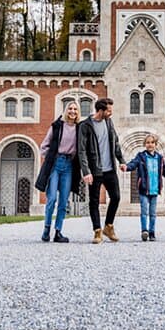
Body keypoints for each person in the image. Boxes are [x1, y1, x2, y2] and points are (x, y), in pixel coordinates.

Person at [77, 97, 127, 244]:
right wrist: (86, 171)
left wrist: (121, 160)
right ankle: (97, 231)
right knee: (94, 201)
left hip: (110, 168)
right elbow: (82, 150)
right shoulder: (85, 125)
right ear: (101, 110)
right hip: (95, 170)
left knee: (116, 197)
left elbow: (115, 142)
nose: (111, 113)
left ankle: (108, 226)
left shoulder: (109, 122)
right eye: (109, 110)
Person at [35, 100, 82, 243]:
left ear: (78, 112)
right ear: (66, 111)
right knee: (52, 199)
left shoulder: (79, 129)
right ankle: (46, 229)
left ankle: (58, 232)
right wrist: (50, 159)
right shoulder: (57, 126)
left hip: (68, 166)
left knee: (63, 202)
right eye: (70, 109)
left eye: (75, 109)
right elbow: (44, 146)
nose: (72, 111)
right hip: (55, 164)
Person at [125, 134, 165, 242]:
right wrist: (126, 167)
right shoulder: (140, 156)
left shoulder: (160, 158)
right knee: (144, 211)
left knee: (153, 213)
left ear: (155, 144)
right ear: (145, 144)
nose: (150, 145)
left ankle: (152, 232)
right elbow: (133, 164)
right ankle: (144, 231)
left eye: (152, 142)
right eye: (148, 143)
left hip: (155, 190)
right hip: (144, 189)